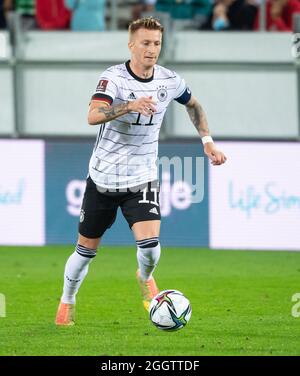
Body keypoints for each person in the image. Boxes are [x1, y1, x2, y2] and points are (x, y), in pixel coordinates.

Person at [55, 16, 227, 326]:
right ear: (131, 44)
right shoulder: (114, 79)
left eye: (157, 44)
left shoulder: (168, 80)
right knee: (84, 253)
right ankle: (68, 299)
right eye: (145, 43)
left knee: (150, 249)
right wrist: (129, 106)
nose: (151, 49)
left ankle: (144, 277)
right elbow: (93, 115)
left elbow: (194, 105)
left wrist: (208, 141)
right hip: (103, 178)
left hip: (142, 178)